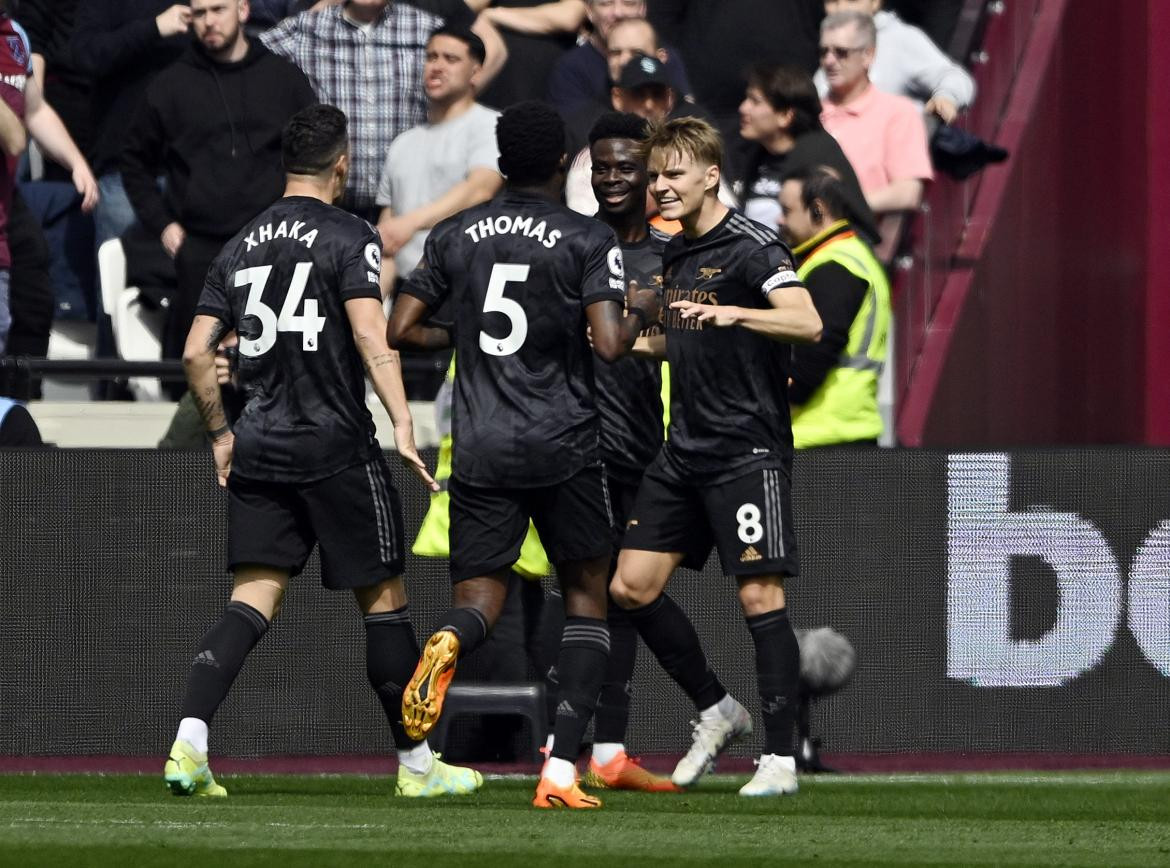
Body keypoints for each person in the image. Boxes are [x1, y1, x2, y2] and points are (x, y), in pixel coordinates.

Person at [163, 104, 482, 801]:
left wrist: (222, 434)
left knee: (250, 601)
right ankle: (418, 769)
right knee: (384, 605)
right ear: (342, 164)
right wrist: (402, 422)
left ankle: (189, 743)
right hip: (337, 446)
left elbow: (194, 351)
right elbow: (372, 336)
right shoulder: (350, 234)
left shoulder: (241, 242)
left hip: (261, 447)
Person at [387, 100, 660, 809]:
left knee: (480, 599)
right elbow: (607, 343)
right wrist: (642, 307)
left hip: (478, 446)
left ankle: (448, 639)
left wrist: (464, 338)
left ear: (503, 159)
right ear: (563, 159)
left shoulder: (457, 234)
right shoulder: (585, 237)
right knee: (587, 603)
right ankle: (561, 774)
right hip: (564, 445)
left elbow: (400, 326)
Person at [608, 117, 823, 798]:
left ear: (710, 175)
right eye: (656, 175)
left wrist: (738, 315)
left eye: (674, 174)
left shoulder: (756, 247)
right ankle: (716, 708)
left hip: (745, 449)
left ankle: (782, 760)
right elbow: (678, 337)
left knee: (760, 594)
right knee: (630, 587)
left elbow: (807, 321)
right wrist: (627, 343)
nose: (661, 186)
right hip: (684, 449)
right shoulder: (669, 253)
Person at [544, 110, 676, 792]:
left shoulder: (670, 254)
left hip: (640, 446)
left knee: (624, 599)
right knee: (576, 599)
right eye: (603, 167)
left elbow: (695, 334)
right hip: (574, 444)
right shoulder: (570, 244)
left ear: (649, 172)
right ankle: (557, 743)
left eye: (627, 167)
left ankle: (609, 752)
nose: (614, 178)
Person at [122, 0, 317, 389]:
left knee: (282, 374)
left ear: (243, 10)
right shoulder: (170, 84)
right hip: (201, 249)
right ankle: (187, 451)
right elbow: (134, 162)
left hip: (276, 244)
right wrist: (162, 225)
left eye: (218, 9)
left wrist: (305, 221)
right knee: (194, 376)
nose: (208, 21)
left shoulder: (284, 78)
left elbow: (315, 155)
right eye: (199, 13)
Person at [260, 0, 506, 220]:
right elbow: (247, 57)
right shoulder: (307, 28)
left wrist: (452, 108)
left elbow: (487, 50)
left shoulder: (423, 27)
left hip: (401, 206)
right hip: (333, 203)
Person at [374, 25, 502, 289]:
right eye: (431, 57)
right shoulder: (403, 143)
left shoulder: (490, 125)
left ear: (475, 72)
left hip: (466, 286)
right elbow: (389, 237)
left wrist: (409, 223)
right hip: (406, 289)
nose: (437, 66)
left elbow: (479, 190)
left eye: (451, 59)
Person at [779, 167, 891, 448]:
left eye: (787, 210)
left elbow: (811, 359)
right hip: (841, 432)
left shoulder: (836, 266)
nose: (780, 220)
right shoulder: (852, 256)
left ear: (817, 209)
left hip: (821, 439)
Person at [735, 64, 878, 244]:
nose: (743, 108)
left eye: (755, 101)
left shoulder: (817, 156)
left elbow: (848, 229)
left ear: (786, 115)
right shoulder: (756, 157)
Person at [818, 11, 932, 214]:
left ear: (868, 55)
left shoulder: (897, 112)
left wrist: (838, 207)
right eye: (823, 52)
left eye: (841, 52)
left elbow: (908, 192)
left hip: (857, 236)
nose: (829, 60)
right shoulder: (810, 111)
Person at [817, 0, 974, 124]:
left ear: (875, 3)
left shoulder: (900, 39)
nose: (841, 9)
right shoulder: (826, 45)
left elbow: (954, 76)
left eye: (853, 1)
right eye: (832, 1)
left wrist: (946, 97)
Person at [547, 0, 690, 115]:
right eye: (606, 3)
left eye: (629, 3)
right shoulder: (571, 68)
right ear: (589, 11)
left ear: (642, 9)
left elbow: (690, 119)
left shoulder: (664, 59)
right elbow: (575, 134)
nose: (618, 12)